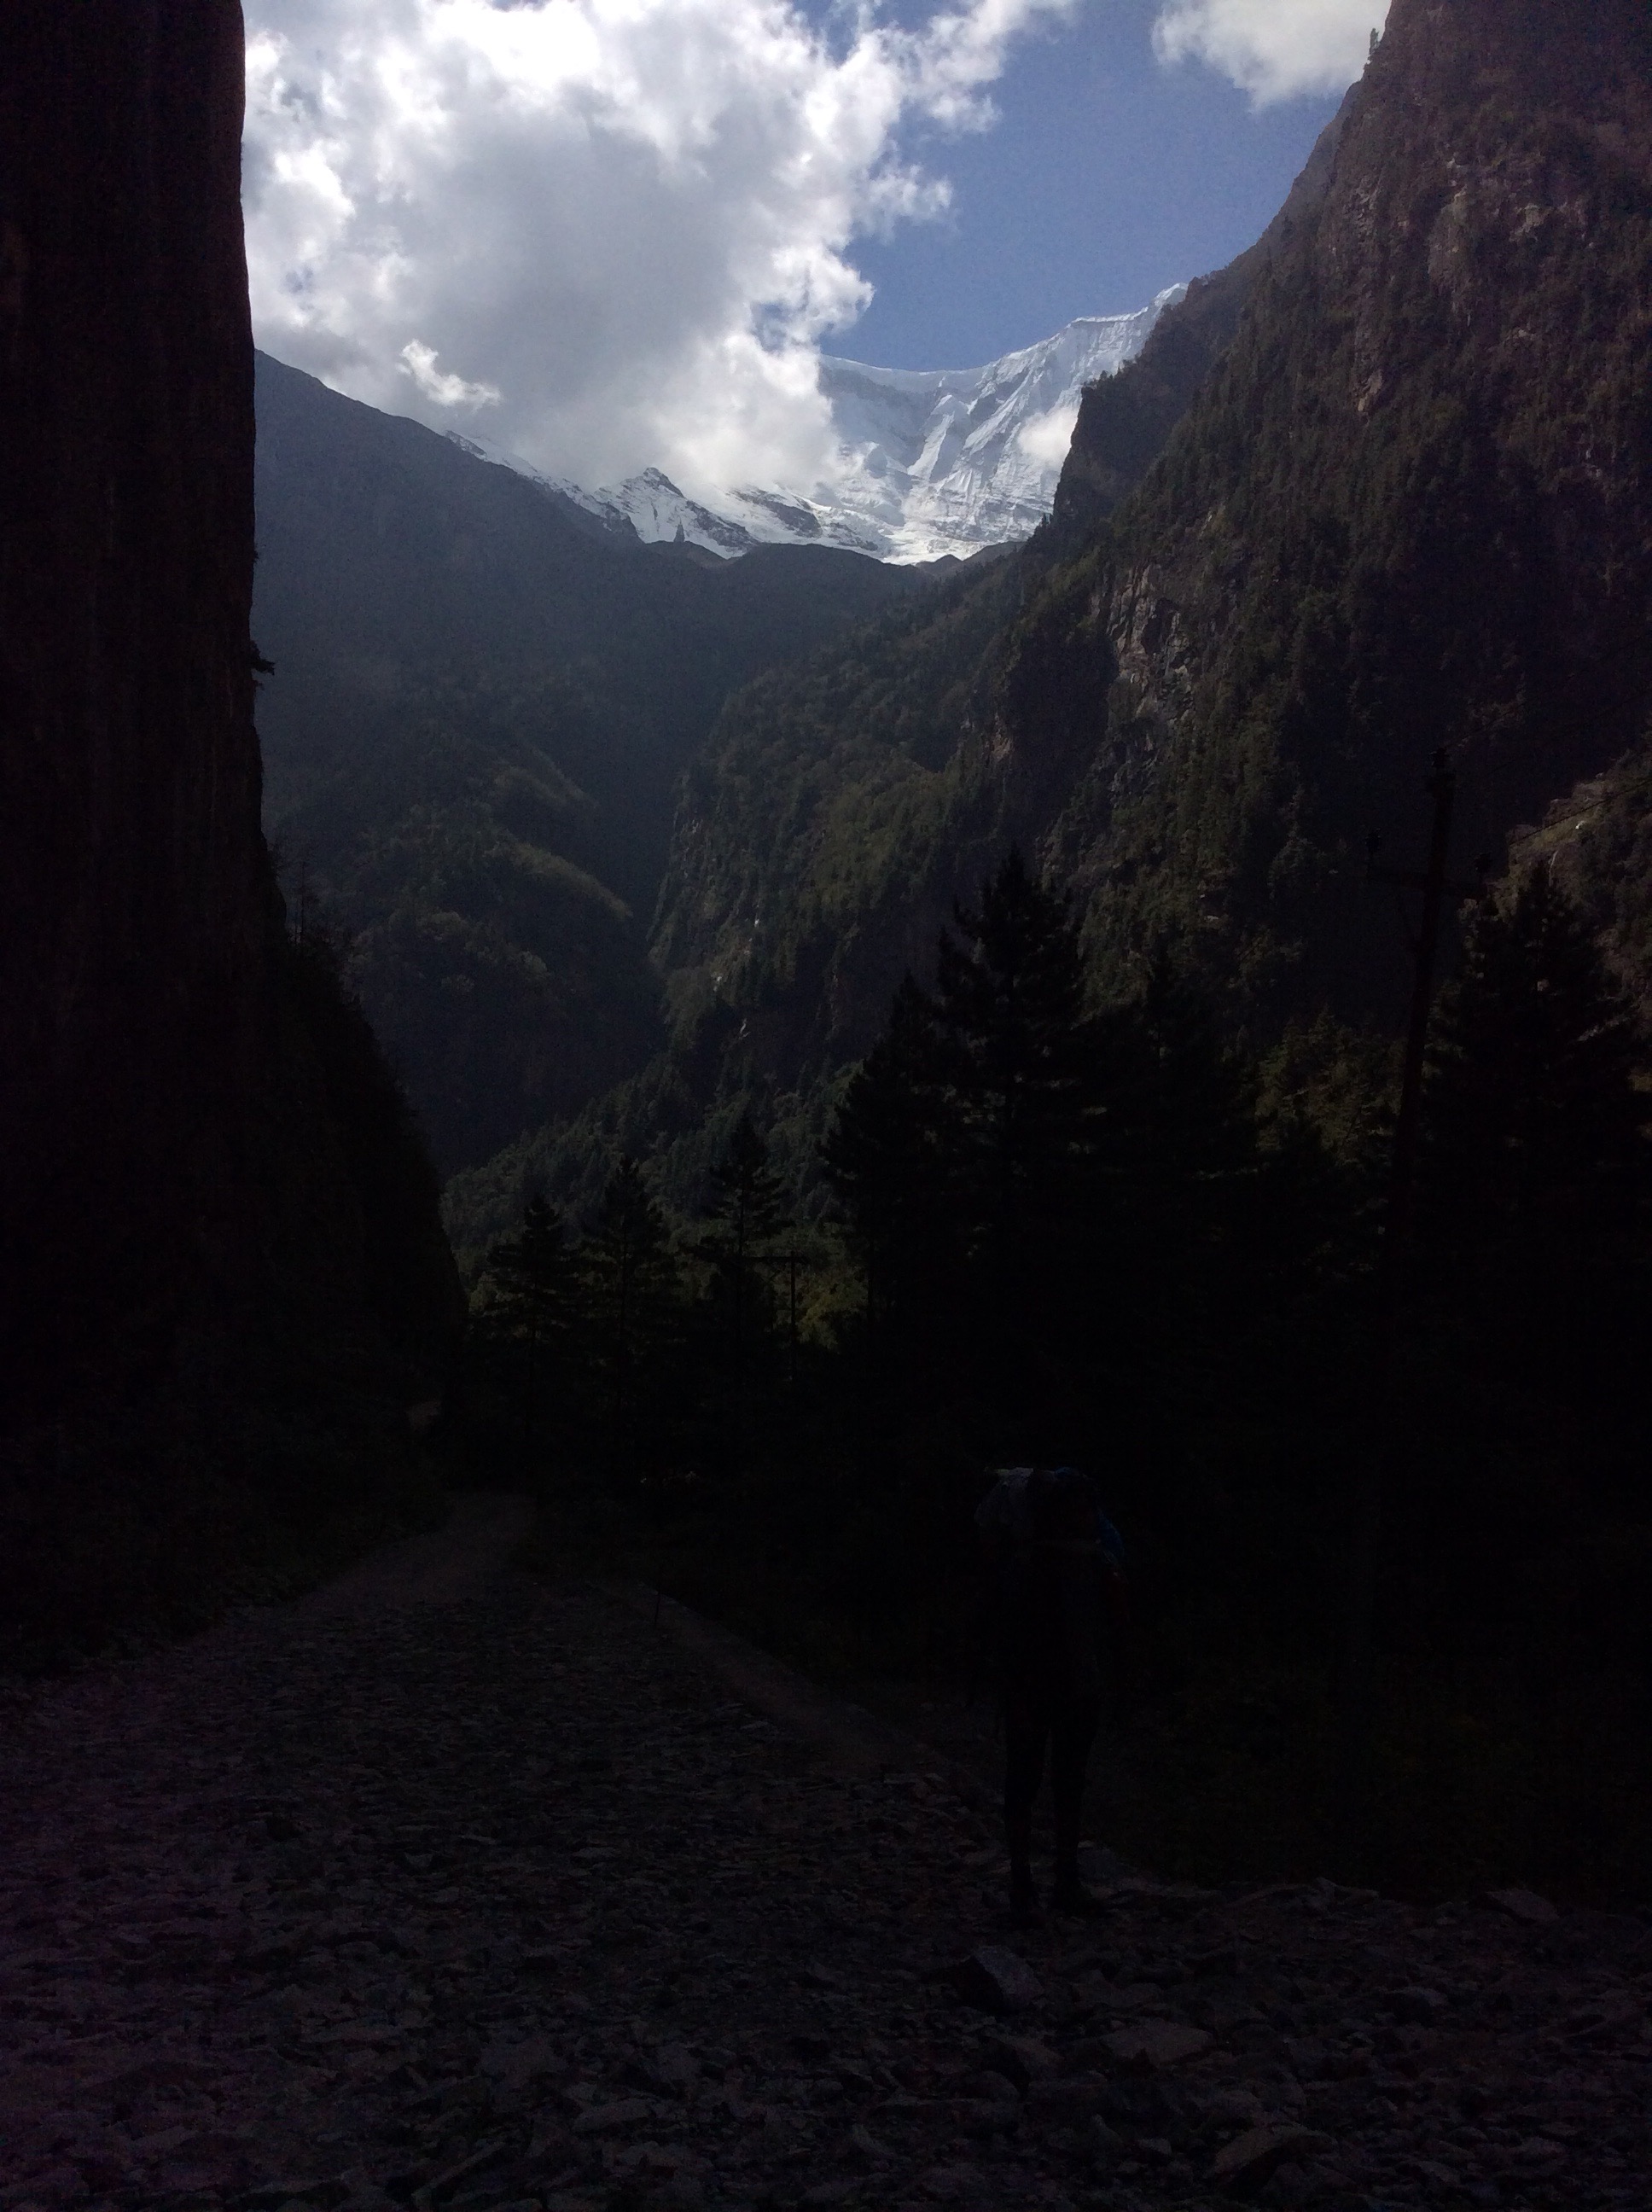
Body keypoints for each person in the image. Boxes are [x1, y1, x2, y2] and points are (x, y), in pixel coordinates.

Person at [975, 1465, 1126, 1919]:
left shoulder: (1027, 1564)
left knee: (1032, 1782)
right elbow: (1113, 1628)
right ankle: (1055, 1883)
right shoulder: (1093, 1564)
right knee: (1061, 1783)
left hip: (1038, 1688)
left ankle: (1030, 1886)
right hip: (1068, 1688)